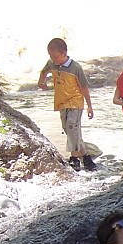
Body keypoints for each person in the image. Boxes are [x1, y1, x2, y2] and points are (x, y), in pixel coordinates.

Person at [37, 38, 96, 172]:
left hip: (76, 102)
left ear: (64, 53)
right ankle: (86, 157)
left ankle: (74, 157)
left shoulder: (75, 68)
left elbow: (84, 87)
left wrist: (89, 106)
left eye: (55, 57)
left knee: (71, 126)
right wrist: (41, 82)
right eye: (50, 56)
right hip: (61, 102)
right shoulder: (52, 63)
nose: (53, 59)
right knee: (70, 130)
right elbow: (44, 71)